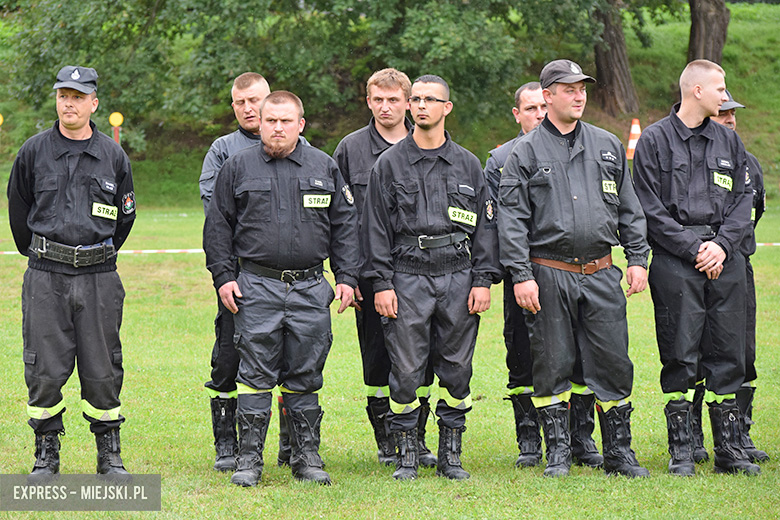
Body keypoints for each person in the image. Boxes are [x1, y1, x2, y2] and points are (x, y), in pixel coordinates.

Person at [498, 59, 650, 478]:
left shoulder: (607, 144)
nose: (579, 95)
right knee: (552, 363)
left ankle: (619, 452)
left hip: (602, 272)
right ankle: (559, 453)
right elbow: (511, 220)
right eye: (568, 89)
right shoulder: (524, 153)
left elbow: (630, 208)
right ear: (547, 96)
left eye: (582, 88)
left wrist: (637, 259)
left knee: (613, 362)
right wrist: (521, 276)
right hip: (548, 273)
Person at [204, 90, 359, 487]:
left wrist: (346, 278)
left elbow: (344, 227)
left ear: (300, 125)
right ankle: (249, 460)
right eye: (270, 121)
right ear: (261, 123)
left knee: (305, 376)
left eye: (285, 121)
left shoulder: (324, 166)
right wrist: (224, 278)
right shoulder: (238, 167)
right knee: (255, 375)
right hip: (256, 286)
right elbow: (218, 226)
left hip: (310, 288)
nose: (276, 128)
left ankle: (306, 458)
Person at [362, 75, 501, 480]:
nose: (421, 106)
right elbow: (374, 229)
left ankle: (450, 455)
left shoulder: (468, 164)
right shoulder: (388, 165)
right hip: (407, 277)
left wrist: (482, 280)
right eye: (416, 99)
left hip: (458, 275)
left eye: (430, 99)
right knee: (405, 371)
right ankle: (407, 454)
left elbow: (486, 228)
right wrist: (382, 284)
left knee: (457, 369)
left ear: (447, 108)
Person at [7, 65, 136, 482]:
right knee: (44, 367)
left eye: (78, 96)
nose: (70, 103)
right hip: (46, 276)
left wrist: (96, 254)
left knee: (102, 367)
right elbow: (18, 211)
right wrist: (46, 254)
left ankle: (109, 455)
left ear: (94, 102)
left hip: (99, 277)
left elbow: (125, 218)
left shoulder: (113, 155)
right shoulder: (33, 151)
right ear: (57, 100)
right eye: (64, 95)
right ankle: (46, 454)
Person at [633, 60, 760, 476]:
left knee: (728, 351)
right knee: (680, 351)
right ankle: (682, 451)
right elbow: (649, 208)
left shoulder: (729, 141)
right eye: (720, 89)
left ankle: (730, 450)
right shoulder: (654, 141)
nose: (726, 97)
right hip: (676, 261)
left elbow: (744, 200)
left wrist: (722, 246)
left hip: (727, 259)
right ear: (697, 91)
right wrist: (695, 248)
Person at [485, 82, 602, 470]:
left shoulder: (575, 150)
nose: (537, 114)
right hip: (524, 274)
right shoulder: (500, 159)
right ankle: (529, 440)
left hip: (567, 273)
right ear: (517, 114)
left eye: (541, 107)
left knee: (578, 358)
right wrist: (516, 274)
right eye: (529, 108)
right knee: (522, 357)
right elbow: (497, 224)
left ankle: (580, 437)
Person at [333, 68, 439, 468]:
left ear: (409, 102)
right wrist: (349, 274)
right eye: (378, 99)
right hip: (371, 276)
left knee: (423, 357)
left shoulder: (427, 143)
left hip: (424, 273)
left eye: (394, 99)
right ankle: (387, 440)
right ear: (368, 101)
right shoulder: (350, 149)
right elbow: (339, 219)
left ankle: (418, 439)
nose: (385, 107)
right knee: (378, 358)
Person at [199, 72, 297, 472]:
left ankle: (291, 447)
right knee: (228, 358)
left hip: (284, 277)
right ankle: (229, 445)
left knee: (291, 362)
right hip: (239, 274)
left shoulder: (294, 144)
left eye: (254, 100)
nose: (248, 108)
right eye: (239, 102)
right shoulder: (223, 151)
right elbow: (216, 209)